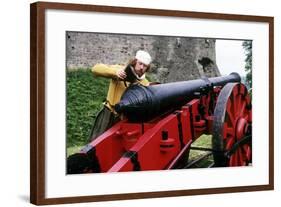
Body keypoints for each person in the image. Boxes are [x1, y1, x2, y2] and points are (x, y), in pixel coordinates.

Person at [89, 50, 152, 141]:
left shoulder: (145, 83)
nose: (142, 67)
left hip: (124, 119)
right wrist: (115, 72)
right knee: (96, 142)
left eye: (145, 66)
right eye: (140, 64)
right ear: (134, 62)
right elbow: (95, 69)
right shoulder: (120, 69)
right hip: (108, 113)